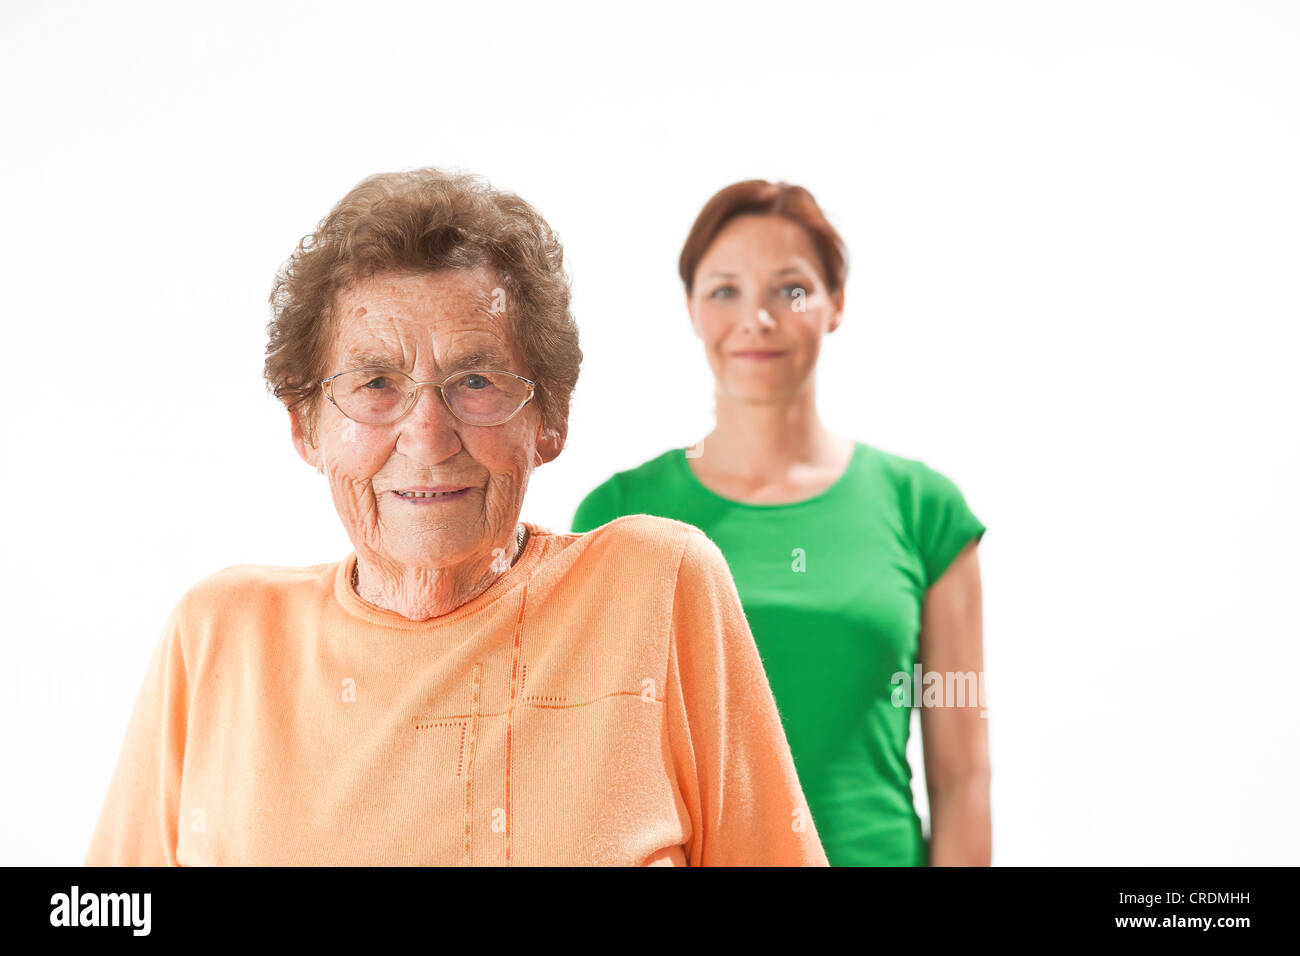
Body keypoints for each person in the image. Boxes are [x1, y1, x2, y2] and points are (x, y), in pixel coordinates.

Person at [85, 168, 827, 867]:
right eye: (376, 383)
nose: (429, 437)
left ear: (551, 419)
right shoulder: (218, 632)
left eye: (475, 381)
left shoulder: (657, 587)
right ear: (305, 425)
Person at [573, 179, 989, 866]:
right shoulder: (618, 514)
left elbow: (963, 777)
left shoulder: (925, 511)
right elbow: (602, 775)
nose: (756, 319)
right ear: (691, 310)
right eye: (725, 290)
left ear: (836, 304)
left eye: (790, 289)